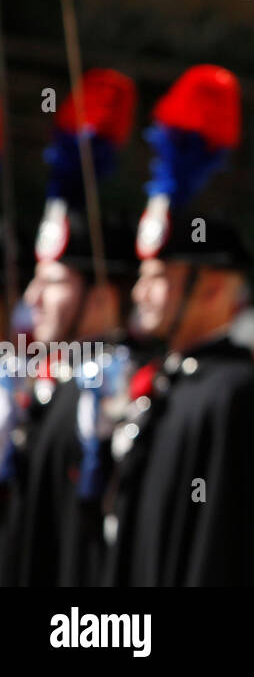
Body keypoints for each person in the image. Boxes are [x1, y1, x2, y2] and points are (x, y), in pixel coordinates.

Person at [105, 64, 254, 586]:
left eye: (158, 277)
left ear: (212, 287)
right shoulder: (170, 381)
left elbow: (226, 551)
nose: (139, 292)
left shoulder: (237, 394)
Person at [2, 69, 139, 588]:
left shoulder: (117, 387)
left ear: (102, 296)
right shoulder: (48, 380)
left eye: (52, 281)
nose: (31, 297)